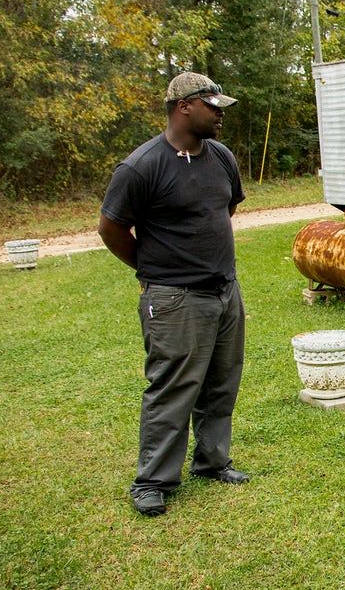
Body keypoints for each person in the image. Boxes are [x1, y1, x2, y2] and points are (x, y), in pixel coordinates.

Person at [99, 72, 251, 516]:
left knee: (221, 383)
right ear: (184, 106)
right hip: (174, 298)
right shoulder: (141, 166)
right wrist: (153, 269)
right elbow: (110, 229)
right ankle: (152, 481)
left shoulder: (220, 157)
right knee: (172, 389)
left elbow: (226, 207)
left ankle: (212, 461)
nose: (220, 114)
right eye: (213, 106)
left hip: (225, 290)